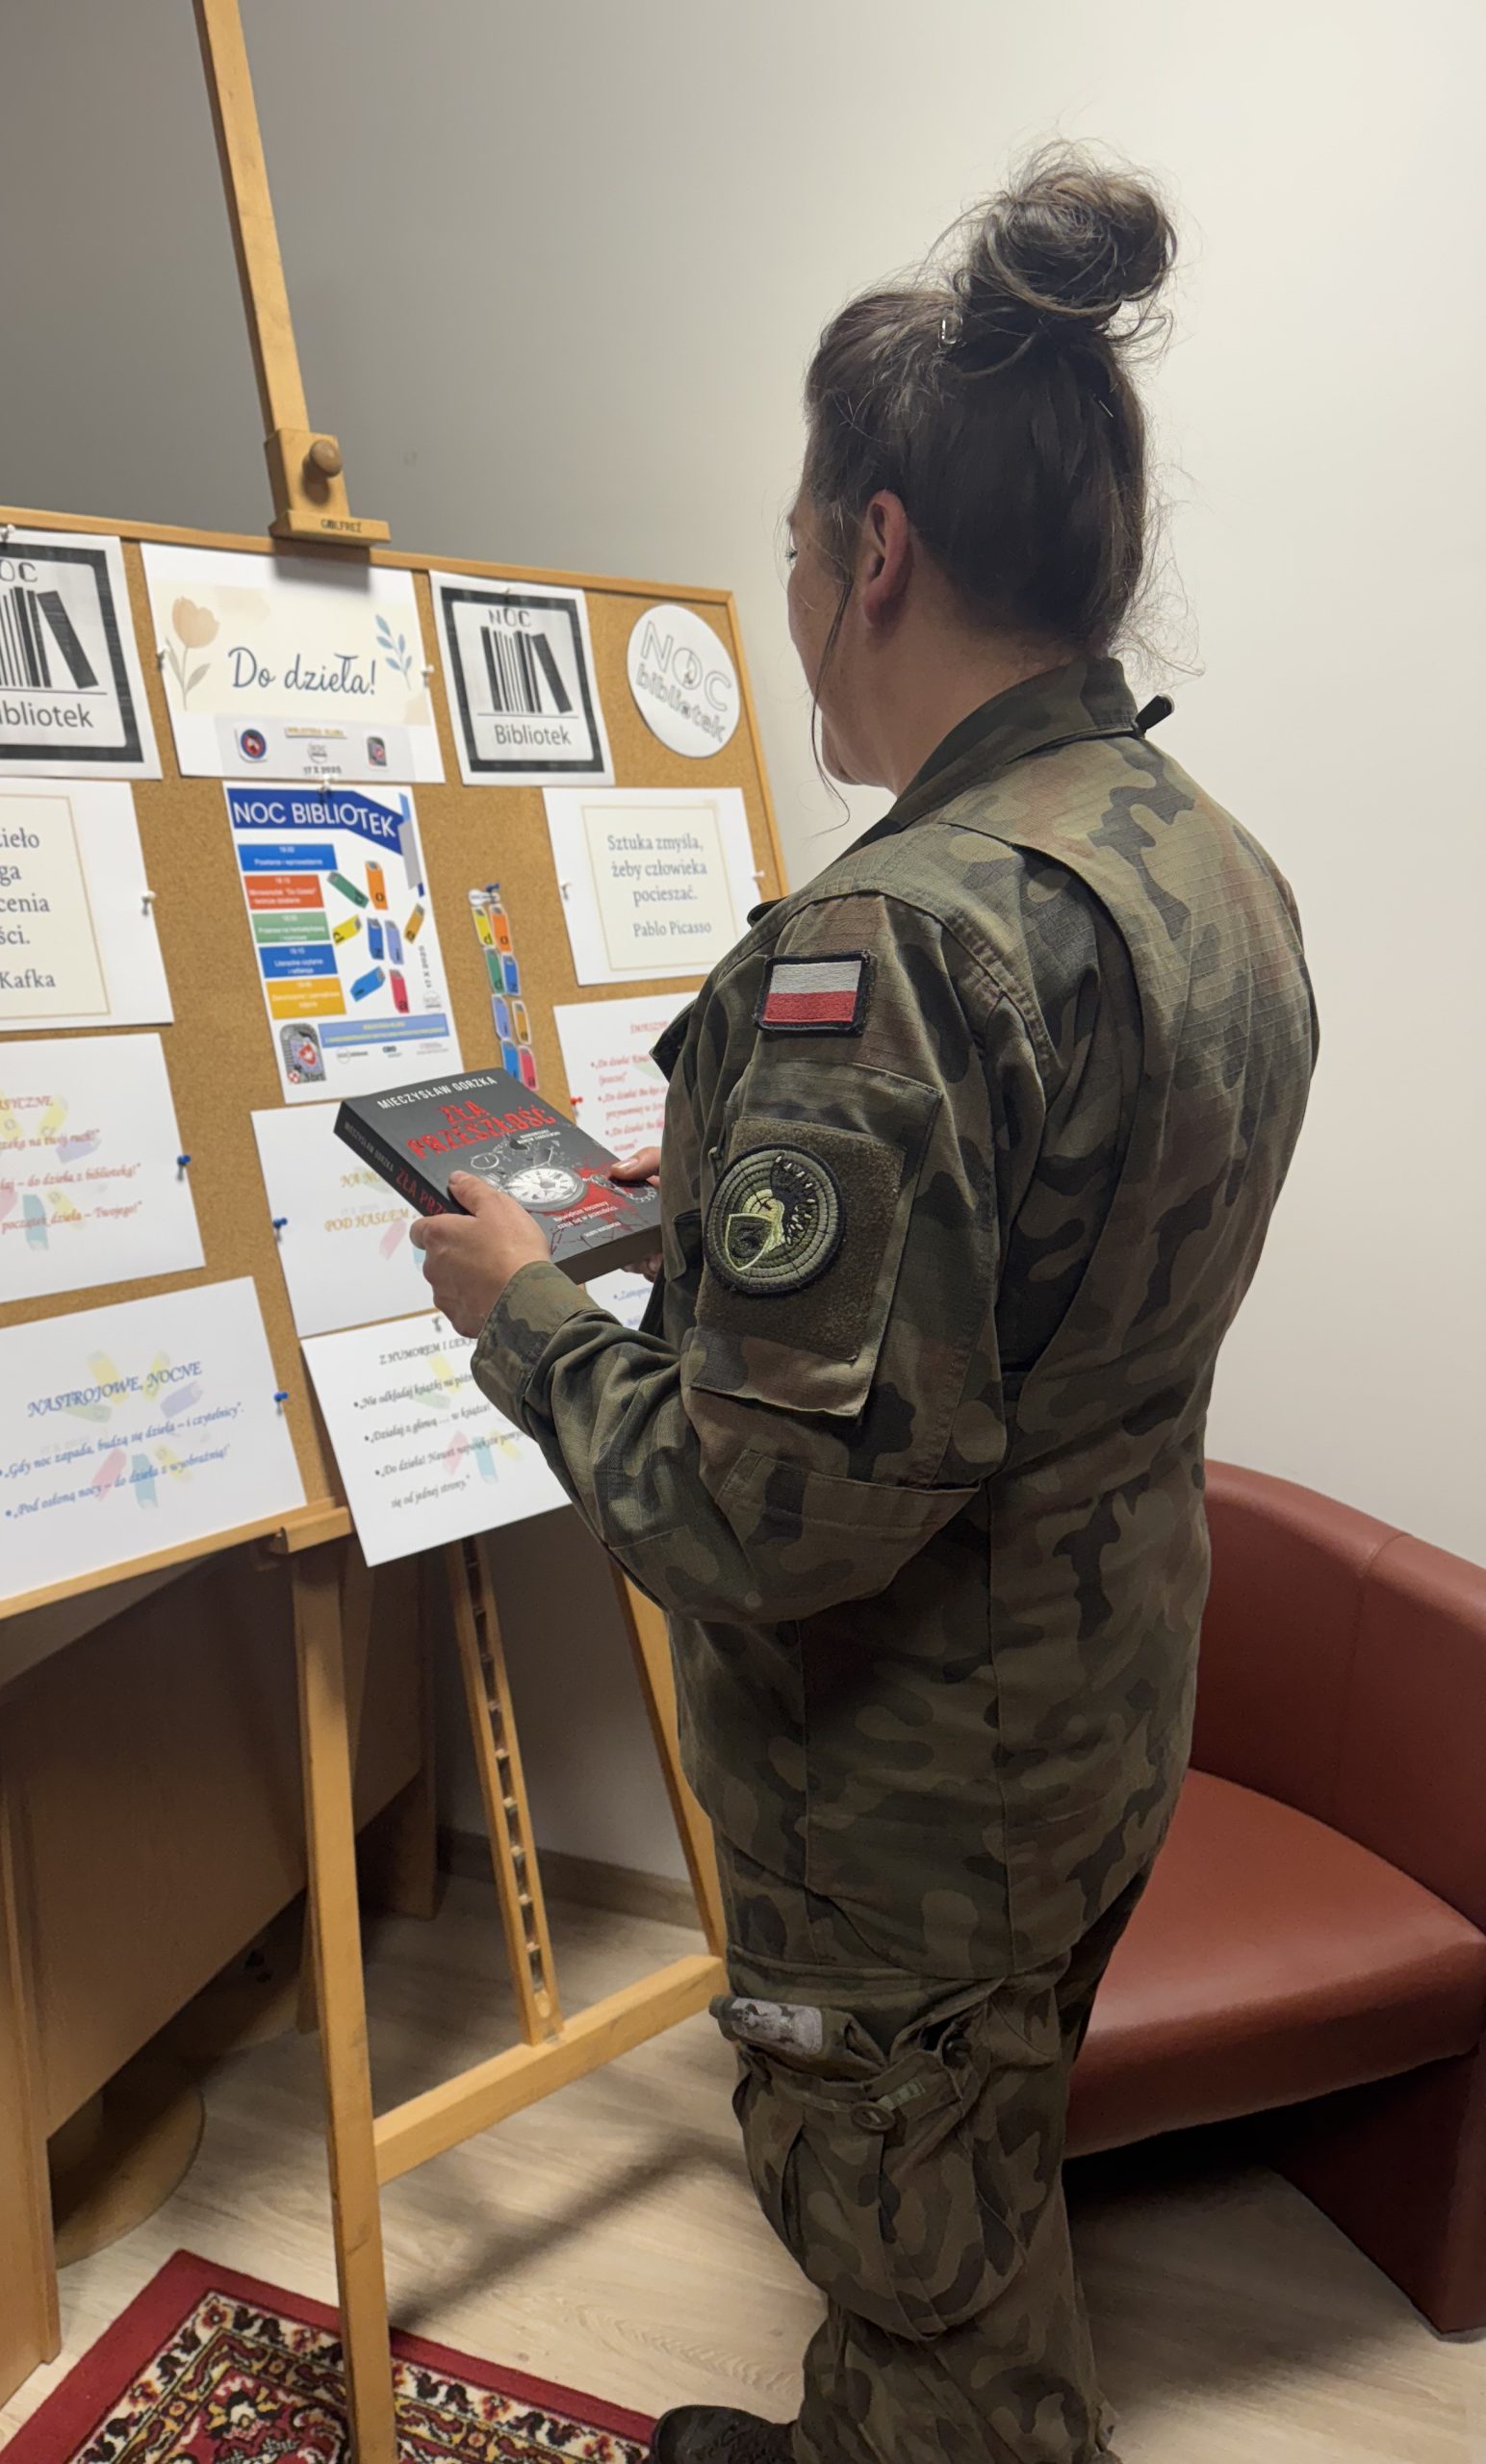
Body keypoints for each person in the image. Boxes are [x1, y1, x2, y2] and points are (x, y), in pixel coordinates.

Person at [412, 147, 1317, 2464]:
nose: (797, 586)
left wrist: (526, 1308)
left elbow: (759, 1520)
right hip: (1099, 1691)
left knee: (922, 2256)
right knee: (971, 2168)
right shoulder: (1197, 855)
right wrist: (723, 1220)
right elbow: (1038, 1260)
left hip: (914, 1782)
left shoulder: (893, 944)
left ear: (876, 549)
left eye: (802, 544)